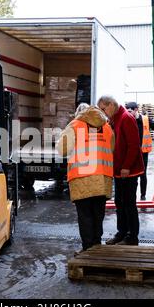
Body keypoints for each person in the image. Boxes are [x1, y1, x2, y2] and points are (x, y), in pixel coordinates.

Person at [57, 103, 115, 253]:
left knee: (85, 216)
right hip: (102, 178)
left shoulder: (75, 126)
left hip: (81, 177)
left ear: (79, 114)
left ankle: (88, 248)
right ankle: (97, 245)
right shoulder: (107, 126)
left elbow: (62, 150)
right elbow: (112, 148)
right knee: (98, 214)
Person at [97, 96, 144, 246]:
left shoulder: (126, 118)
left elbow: (134, 145)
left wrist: (126, 166)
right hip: (119, 170)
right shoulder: (115, 119)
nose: (104, 113)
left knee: (129, 204)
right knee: (120, 202)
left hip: (128, 171)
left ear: (111, 105)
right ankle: (122, 232)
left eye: (104, 109)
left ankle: (132, 237)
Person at [125, 102, 154, 201]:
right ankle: (132, 196)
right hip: (131, 152)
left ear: (136, 110)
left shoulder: (146, 119)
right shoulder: (126, 119)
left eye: (130, 111)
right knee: (132, 174)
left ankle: (143, 195)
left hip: (143, 152)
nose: (128, 113)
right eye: (127, 111)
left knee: (143, 174)